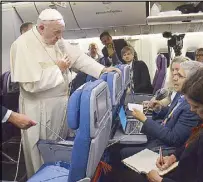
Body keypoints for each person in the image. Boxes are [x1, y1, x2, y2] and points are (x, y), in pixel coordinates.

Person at [9, 8, 120, 177]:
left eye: (61, 32)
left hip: (60, 105)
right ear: (41, 28)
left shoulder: (56, 38)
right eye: (56, 33)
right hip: (39, 109)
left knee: (58, 147)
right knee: (41, 153)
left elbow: (78, 58)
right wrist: (58, 69)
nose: (60, 37)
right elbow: (29, 85)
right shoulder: (22, 45)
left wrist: (102, 69)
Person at [121, 67, 203, 182]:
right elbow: (192, 144)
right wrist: (173, 157)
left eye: (196, 106)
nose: (192, 110)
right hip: (180, 170)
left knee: (123, 173)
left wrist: (160, 181)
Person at [120, 61, 203, 159]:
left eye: (180, 76)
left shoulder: (191, 107)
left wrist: (144, 120)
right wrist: (158, 108)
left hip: (165, 148)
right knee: (124, 142)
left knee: (123, 151)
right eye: (175, 74)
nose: (174, 78)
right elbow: (173, 113)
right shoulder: (181, 94)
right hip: (160, 136)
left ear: (192, 81)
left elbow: (174, 139)